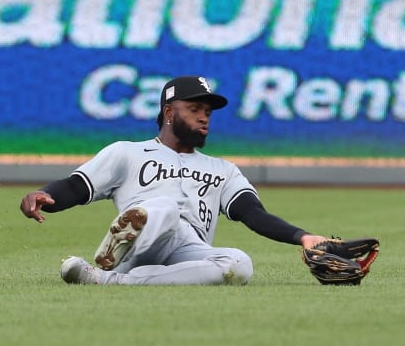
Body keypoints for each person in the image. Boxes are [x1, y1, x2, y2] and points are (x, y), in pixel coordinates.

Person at [19, 76, 330, 285]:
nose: (204, 117)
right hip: (144, 239)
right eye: (194, 109)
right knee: (166, 206)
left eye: (207, 111)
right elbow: (77, 186)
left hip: (188, 250)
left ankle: (110, 281)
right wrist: (44, 195)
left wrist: (303, 237)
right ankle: (123, 247)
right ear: (168, 112)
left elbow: (253, 214)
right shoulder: (128, 152)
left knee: (239, 264)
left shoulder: (224, 170)